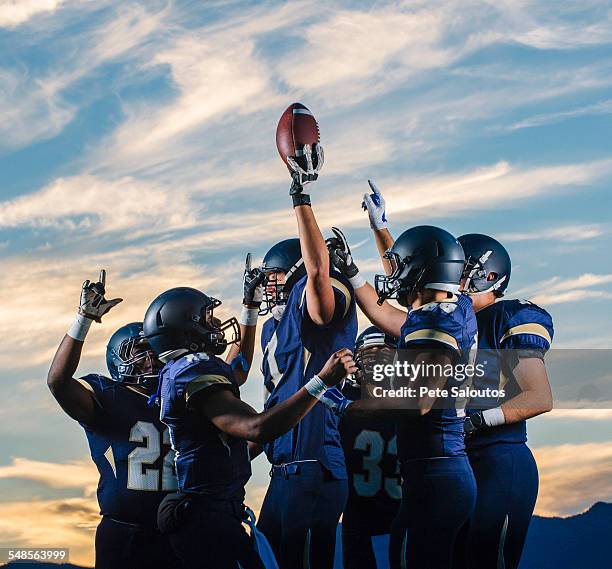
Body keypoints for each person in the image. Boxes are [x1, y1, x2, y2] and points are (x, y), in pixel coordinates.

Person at [143, 286, 357, 569]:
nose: (217, 323)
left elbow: (238, 370)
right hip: (209, 519)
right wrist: (320, 382)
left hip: (209, 511)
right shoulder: (194, 375)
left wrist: (250, 308)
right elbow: (256, 428)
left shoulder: (183, 370)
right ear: (186, 330)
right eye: (207, 317)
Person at [325, 224, 478, 569]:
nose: (393, 274)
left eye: (399, 265)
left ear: (420, 270)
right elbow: (386, 315)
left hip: (434, 472)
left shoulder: (437, 325)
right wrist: (352, 273)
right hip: (443, 469)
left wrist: (349, 406)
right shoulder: (451, 308)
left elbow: (419, 402)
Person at [245, 159, 358, 569]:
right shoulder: (273, 330)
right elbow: (276, 410)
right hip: (284, 471)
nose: (267, 284)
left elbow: (316, 274)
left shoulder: (314, 300)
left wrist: (300, 197)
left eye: (274, 276)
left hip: (313, 468)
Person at [47, 271, 179, 569]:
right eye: (140, 352)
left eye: (153, 351)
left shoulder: (178, 396)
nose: (151, 360)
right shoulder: (107, 395)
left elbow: (231, 374)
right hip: (125, 531)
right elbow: (57, 381)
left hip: (178, 528)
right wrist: (84, 319)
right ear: (118, 361)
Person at [454, 233, 554, 569]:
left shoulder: (507, 316)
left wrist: (480, 420)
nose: (450, 275)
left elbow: (539, 397)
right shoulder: (453, 323)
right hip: (460, 463)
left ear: (489, 275)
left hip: (499, 458)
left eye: (459, 267)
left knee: (487, 561)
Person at [339, 326, 401, 569]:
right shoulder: (344, 398)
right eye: (369, 352)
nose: (375, 357)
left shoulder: (342, 403)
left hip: (403, 507)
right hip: (358, 511)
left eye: (383, 351)